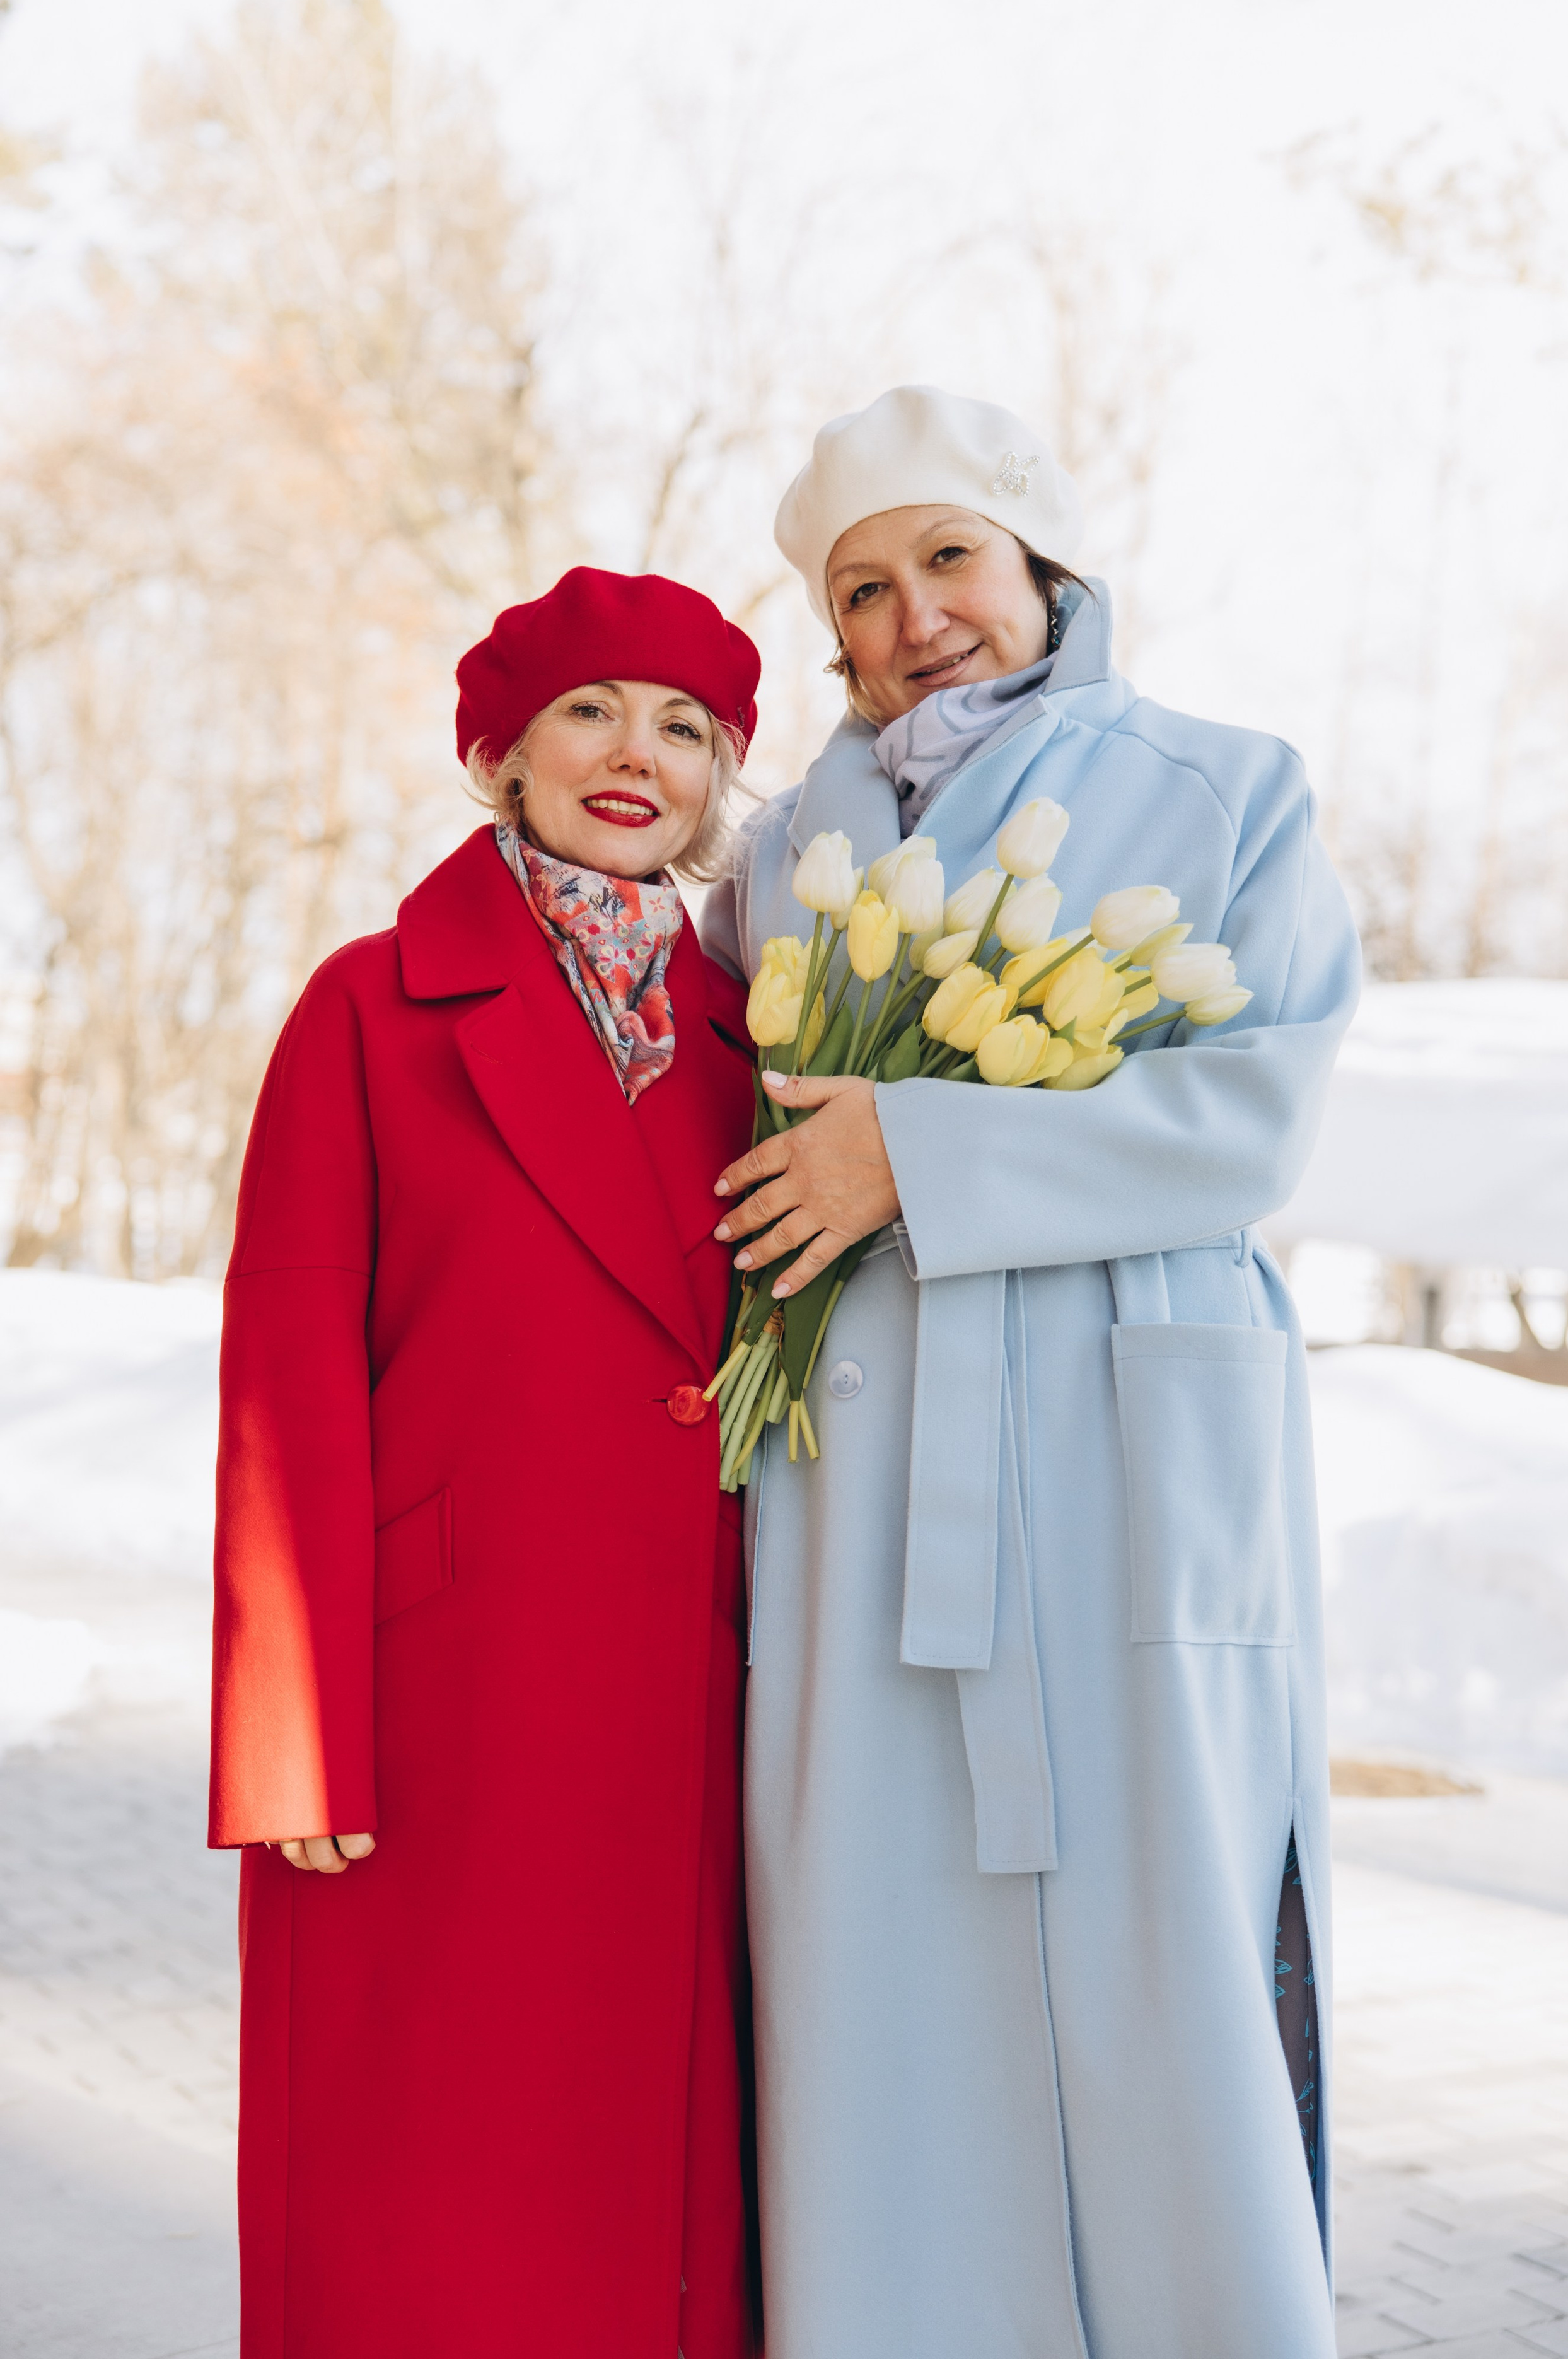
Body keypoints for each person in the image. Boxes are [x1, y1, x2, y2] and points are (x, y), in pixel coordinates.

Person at [700, 386, 1360, 2358]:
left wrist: (916, 1149)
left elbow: (1256, 1109)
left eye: (949, 562)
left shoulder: (1226, 784)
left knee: (1169, 1964)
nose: (917, 617)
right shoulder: (785, 854)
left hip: (1122, 1456)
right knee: (880, 1977)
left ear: (1043, 563)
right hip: (871, 1475)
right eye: (867, 589)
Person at [210, 567, 762, 2359]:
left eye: (689, 728)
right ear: (498, 754)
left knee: (656, 2207)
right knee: (424, 2200)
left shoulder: (774, 1046)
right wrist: (293, 1729)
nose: (639, 755)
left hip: (695, 1704)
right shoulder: (372, 1009)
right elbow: (288, 1375)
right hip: (441, 1704)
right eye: (593, 711)